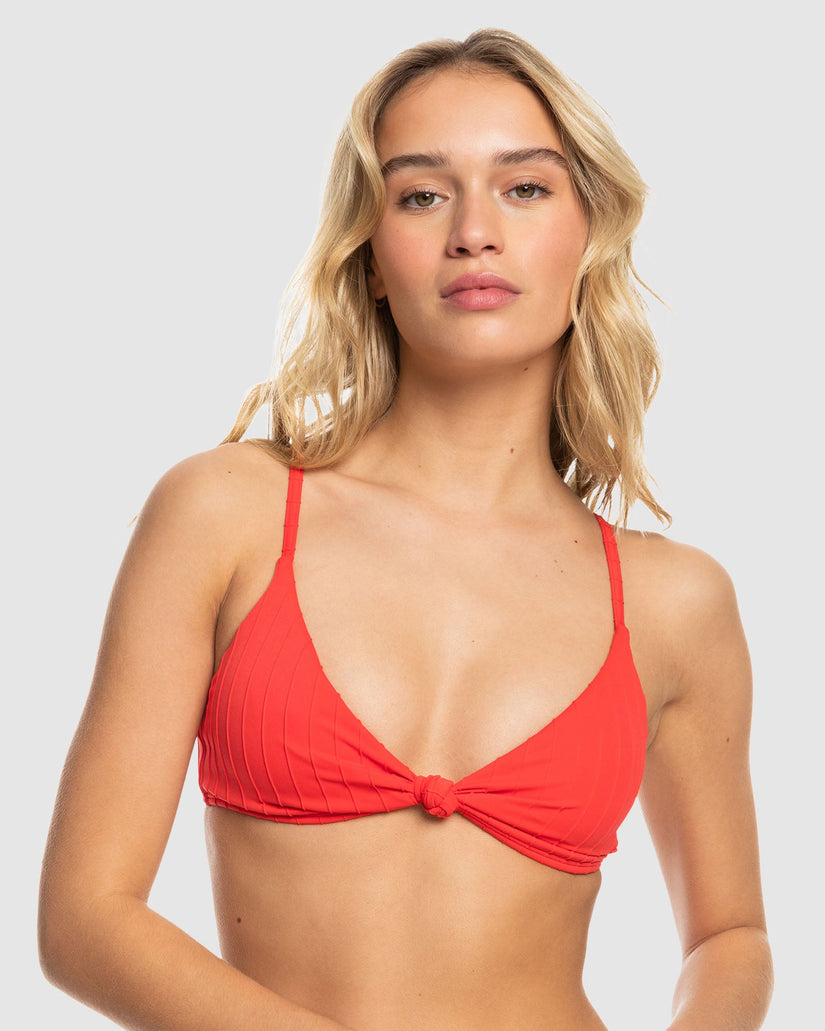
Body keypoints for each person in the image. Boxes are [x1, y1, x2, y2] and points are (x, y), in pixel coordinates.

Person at [38, 28, 773, 1031]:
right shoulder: (226, 514)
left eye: (524, 188)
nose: (474, 231)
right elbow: (84, 918)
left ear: (588, 237)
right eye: (421, 195)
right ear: (372, 257)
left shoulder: (676, 601)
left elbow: (729, 932)